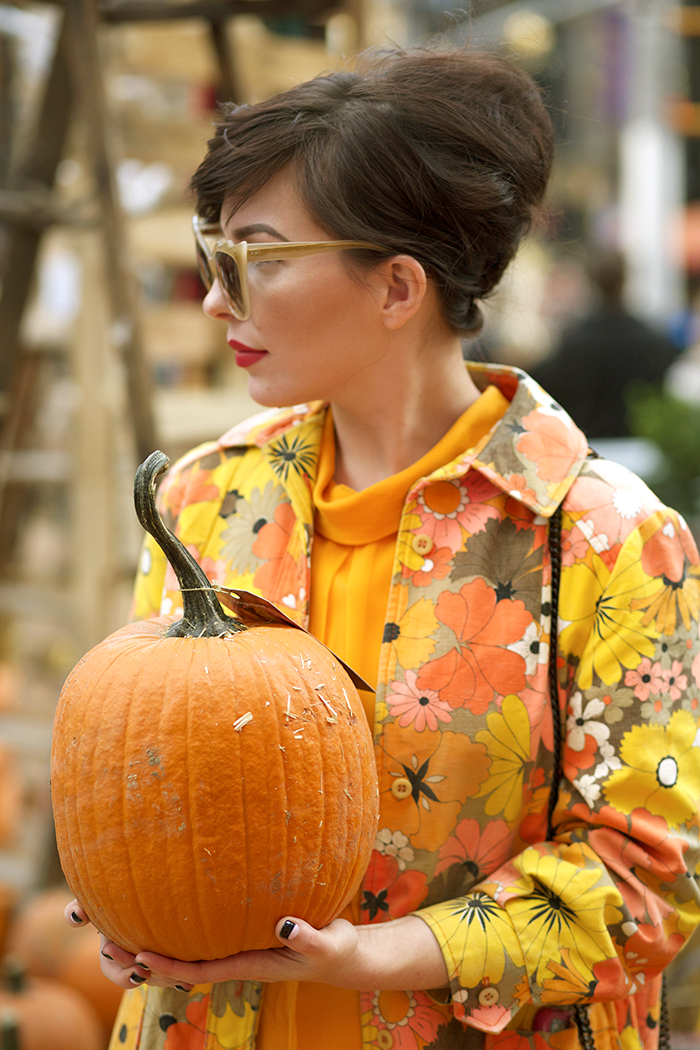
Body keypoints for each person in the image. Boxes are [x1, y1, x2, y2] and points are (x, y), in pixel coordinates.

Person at [66, 43, 700, 1050]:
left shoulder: (604, 536)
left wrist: (383, 953)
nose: (216, 301)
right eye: (209, 256)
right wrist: (134, 904)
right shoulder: (199, 500)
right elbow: (147, 773)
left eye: (255, 259)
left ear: (397, 288)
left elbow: (649, 882)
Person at [530, 251, 681, 439]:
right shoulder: (652, 341)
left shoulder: (576, 341)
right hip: (640, 446)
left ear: (593, 282)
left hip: (589, 445)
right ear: (625, 281)